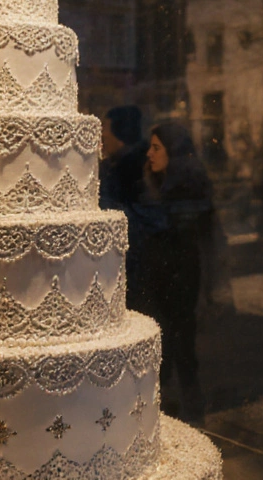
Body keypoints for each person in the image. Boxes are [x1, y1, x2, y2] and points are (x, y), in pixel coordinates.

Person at [136, 121, 214, 423]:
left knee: (181, 350)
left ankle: (190, 416)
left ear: (174, 152)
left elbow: (198, 242)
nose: (149, 153)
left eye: (157, 148)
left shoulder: (185, 194)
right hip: (160, 283)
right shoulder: (155, 190)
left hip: (179, 283)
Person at [99, 106, 149, 307]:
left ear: (119, 134)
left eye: (105, 130)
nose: (102, 137)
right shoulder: (117, 165)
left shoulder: (132, 168)